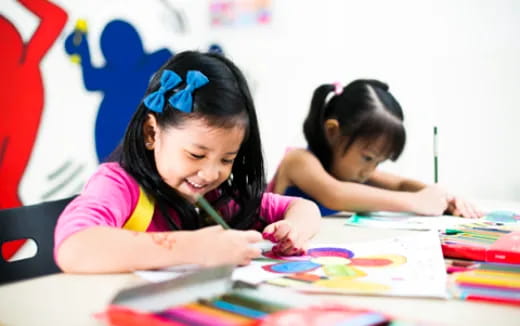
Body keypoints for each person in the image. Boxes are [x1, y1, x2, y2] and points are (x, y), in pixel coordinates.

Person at [54, 51, 320, 273]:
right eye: (196, 155)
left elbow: (303, 207)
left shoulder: (216, 195)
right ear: (151, 133)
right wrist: (196, 248)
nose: (210, 173)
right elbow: (74, 246)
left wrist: (294, 230)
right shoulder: (119, 185)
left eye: (227, 159)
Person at [268, 80, 482, 218]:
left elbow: (400, 184)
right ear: (332, 132)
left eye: (379, 162)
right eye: (368, 158)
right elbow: (335, 194)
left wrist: (444, 198)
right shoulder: (298, 161)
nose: (370, 170)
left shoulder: (354, 172)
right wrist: (417, 202)